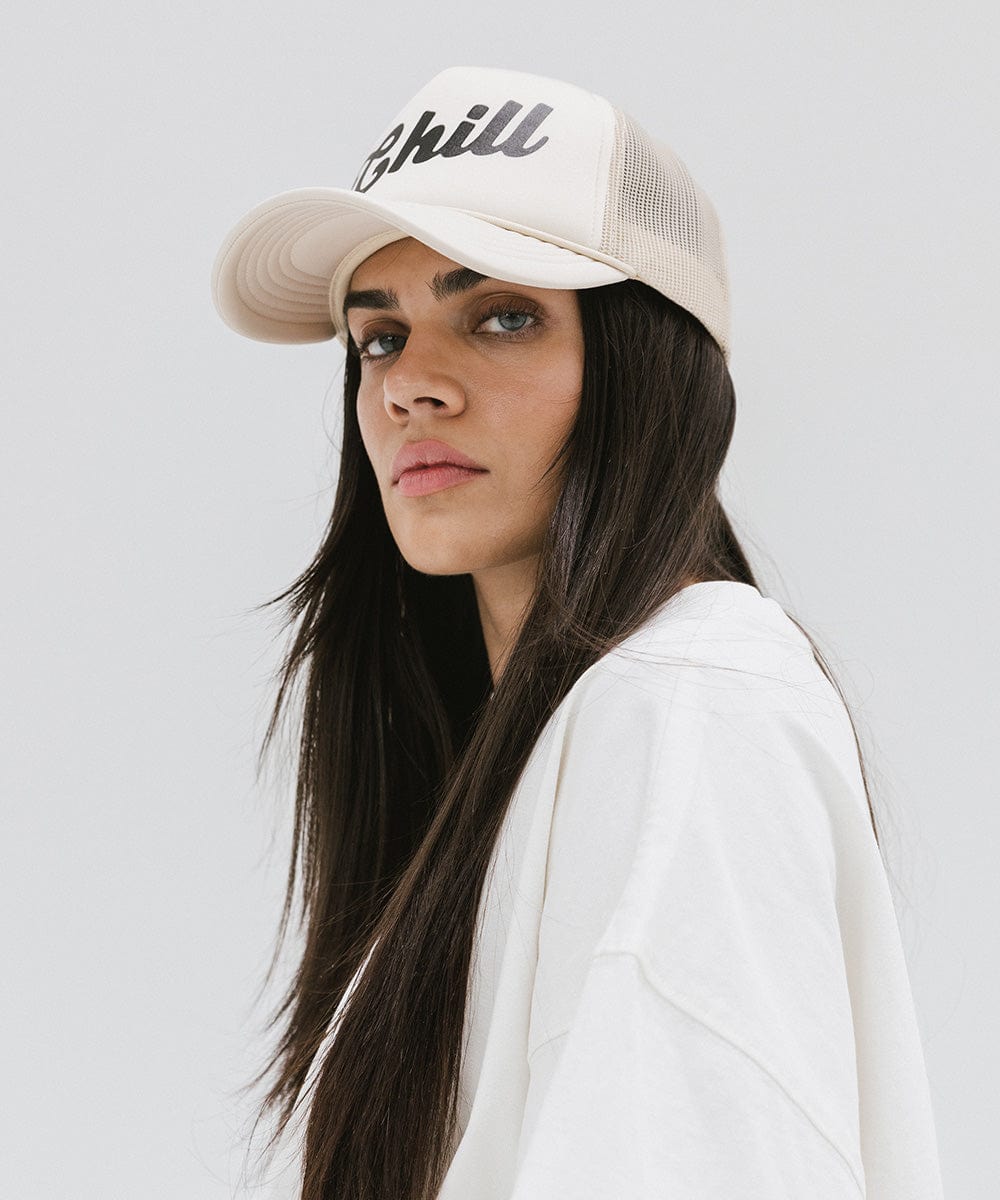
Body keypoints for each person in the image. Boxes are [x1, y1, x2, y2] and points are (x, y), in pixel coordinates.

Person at [212, 66, 945, 1200]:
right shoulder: (558, 741)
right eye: (379, 338)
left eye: (502, 316)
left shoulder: (687, 706)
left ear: (647, 369)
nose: (413, 386)